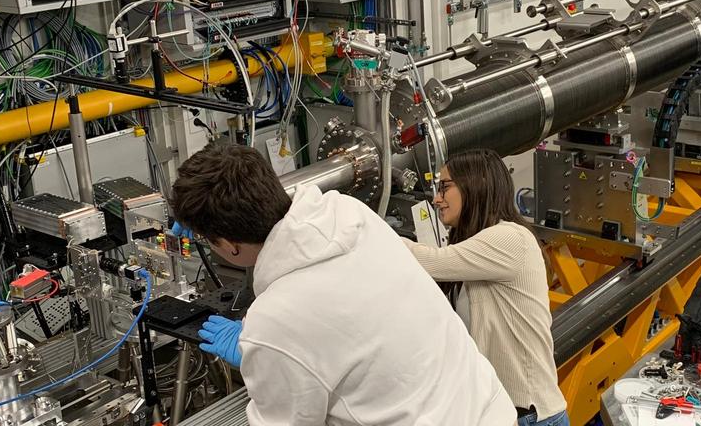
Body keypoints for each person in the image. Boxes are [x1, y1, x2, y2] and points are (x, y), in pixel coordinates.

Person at [171, 142, 516, 426]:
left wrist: (263, 347)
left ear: (228, 244)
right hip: (488, 409)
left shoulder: (274, 321)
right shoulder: (349, 213)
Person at [403, 148, 568, 426]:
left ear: (475, 185)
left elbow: (434, 261)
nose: (436, 199)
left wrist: (370, 229)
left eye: (445, 187)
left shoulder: (510, 237)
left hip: (531, 417)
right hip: (501, 413)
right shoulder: (477, 248)